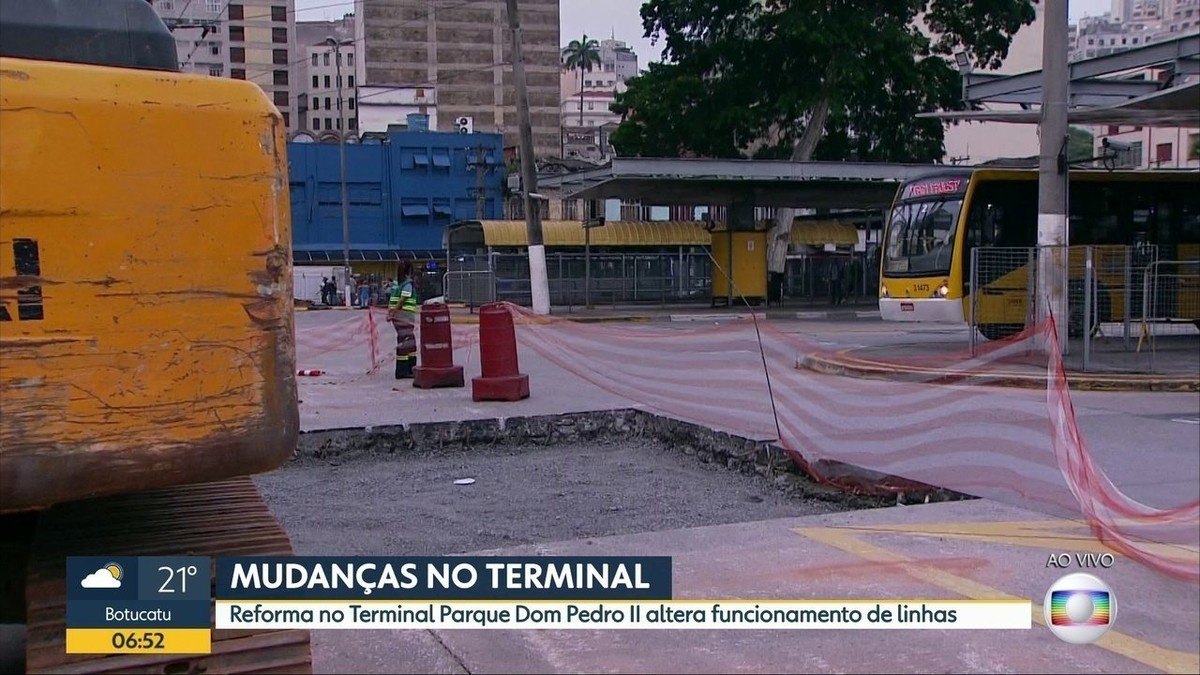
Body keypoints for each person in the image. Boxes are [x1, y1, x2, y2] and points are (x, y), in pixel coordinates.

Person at [388, 262, 419, 378]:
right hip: (404, 316)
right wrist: (394, 311)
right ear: (409, 271)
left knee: (408, 341)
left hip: (398, 317)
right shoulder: (407, 284)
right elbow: (403, 299)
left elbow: (393, 299)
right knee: (406, 342)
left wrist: (390, 313)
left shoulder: (396, 284)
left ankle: (409, 369)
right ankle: (403, 371)